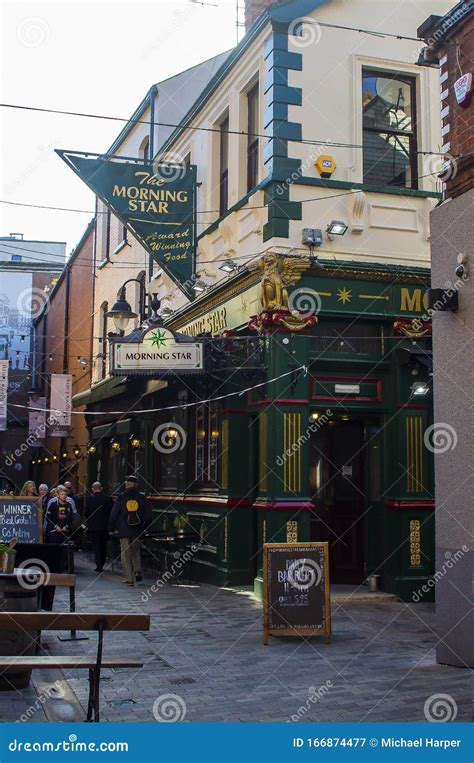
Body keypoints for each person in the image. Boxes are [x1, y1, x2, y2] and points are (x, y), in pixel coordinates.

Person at [108, 476, 151, 586]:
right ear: (136, 485)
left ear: (126, 484)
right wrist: (145, 526)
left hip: (124, 530)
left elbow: (113, 514)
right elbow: (148, 514)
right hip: (138, 530)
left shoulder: (121, 497)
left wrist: (111, 528)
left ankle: (129, 579)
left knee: (126, 554)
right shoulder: (142, 497)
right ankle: (137, 570)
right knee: (136, 551)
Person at [84, 482, 113, 572]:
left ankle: (99, 565)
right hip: (105, 526)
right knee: (103, 545)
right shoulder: (108, 499)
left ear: (92, 488)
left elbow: (86, 513)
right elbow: (110, 512)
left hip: (93, 527)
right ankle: (102, 562)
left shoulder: (89, 499)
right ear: (102, 488)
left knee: (96, 546)